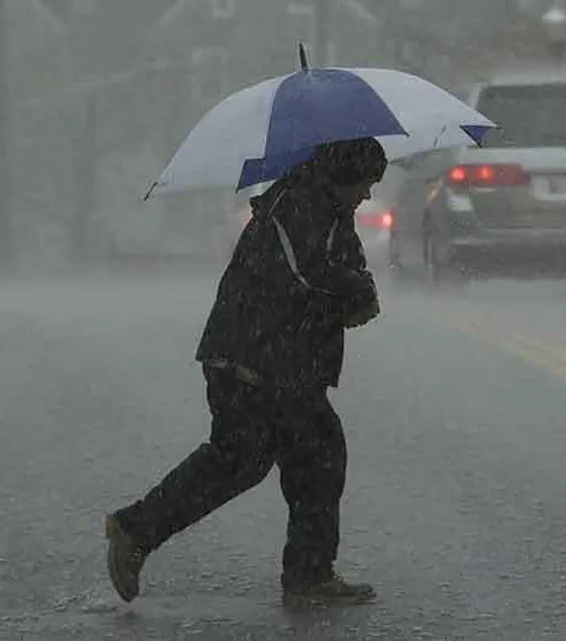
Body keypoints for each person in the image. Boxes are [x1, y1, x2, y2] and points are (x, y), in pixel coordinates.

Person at [105, 137, 388, 606]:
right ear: (344, 173)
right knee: (254, 458)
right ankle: (135, 529)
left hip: (283, 362)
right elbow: (308, 270)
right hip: (252, 358)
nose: (369, 194)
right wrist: (353, 292)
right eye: (366, 183)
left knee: (304, 458)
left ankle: (307, 576)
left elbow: (346, 269)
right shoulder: (297, 202)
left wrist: (361, 294)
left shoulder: (330, 209)